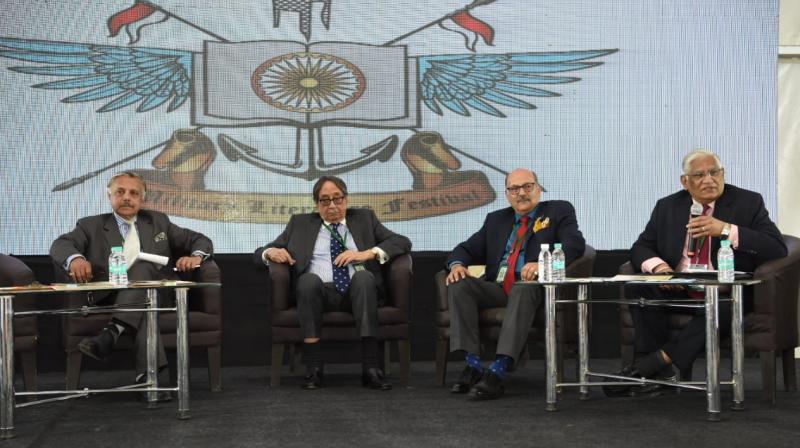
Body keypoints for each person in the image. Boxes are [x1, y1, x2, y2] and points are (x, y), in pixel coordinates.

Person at [604, 149, 787, 397]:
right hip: (679, 285)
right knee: (639, 287)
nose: (708, 180)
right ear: (685, 182)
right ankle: (660, 373)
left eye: (714, 172)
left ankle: (651, 366)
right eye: (699, 175)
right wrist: (661, 268)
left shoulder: (748, 202)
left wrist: (726, 230)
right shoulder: (668, 206)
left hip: (723, 289)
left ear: (723, 174)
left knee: (722, 306)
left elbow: (776, 247)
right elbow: (642, 246)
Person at [50, 171, 213, 398]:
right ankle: (150, 381)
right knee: (147, 310)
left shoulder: (159, 221)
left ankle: (112, 333)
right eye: (120, 192)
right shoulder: (90, 225)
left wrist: (195, 256)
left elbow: (199, 239)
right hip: (112, 296)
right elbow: (61, 244)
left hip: (159, 293)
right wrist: (75, 259)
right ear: (110, 196)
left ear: (142, 199)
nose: (127, 197)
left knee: (144, 267)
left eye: (134, 193)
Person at [254, 175, 411, 390]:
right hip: (318, 293)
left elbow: (402, 242)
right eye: (325, 200)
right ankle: (314, 369)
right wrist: (271, 252)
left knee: (364, 278)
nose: (333, 206)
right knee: (307, 281)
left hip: (357, 291)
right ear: (317, 204)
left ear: (346, 200)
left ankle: (371, 369)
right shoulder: (299, 224)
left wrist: (366, 254)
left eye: (338, 199)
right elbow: (259, 254)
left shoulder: (365, 218)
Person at [445, 168, 585, 400]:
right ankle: (473, 365)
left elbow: (575, 245)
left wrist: (543, 264)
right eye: (514, 189)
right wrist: (457, 265)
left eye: (527, 187)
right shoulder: (496, 219)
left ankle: (499, 371)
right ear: (507, 194)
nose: (521, 193)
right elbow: (465, 249)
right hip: (499, 288)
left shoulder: (558, 210)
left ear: (539, 189)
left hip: (536, 289)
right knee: (460, 284)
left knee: (523, 286)